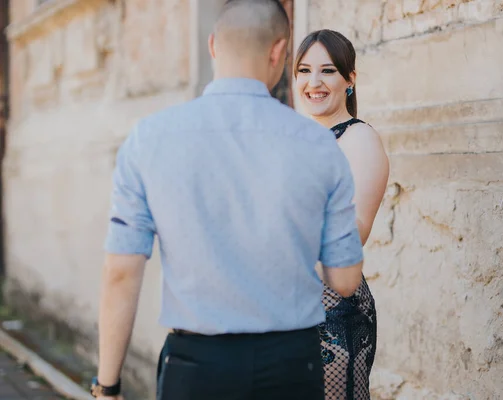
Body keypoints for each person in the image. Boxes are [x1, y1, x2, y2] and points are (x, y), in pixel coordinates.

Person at [90, 2, 366, 399]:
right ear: (279, 52)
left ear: (213, 45)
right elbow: (344, 279)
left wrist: (108, 384)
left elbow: (120, 272)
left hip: (197, 367)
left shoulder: (149, 139)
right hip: (292, 365)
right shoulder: (320, 146)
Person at [294, 29, 390, 400]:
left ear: (350, 80)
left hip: (334, 315)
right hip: (288, 309)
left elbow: (357, 230)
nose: (313, 82)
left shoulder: (358, 139)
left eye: (328, 71)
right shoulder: (298, 138)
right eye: (304, 70)